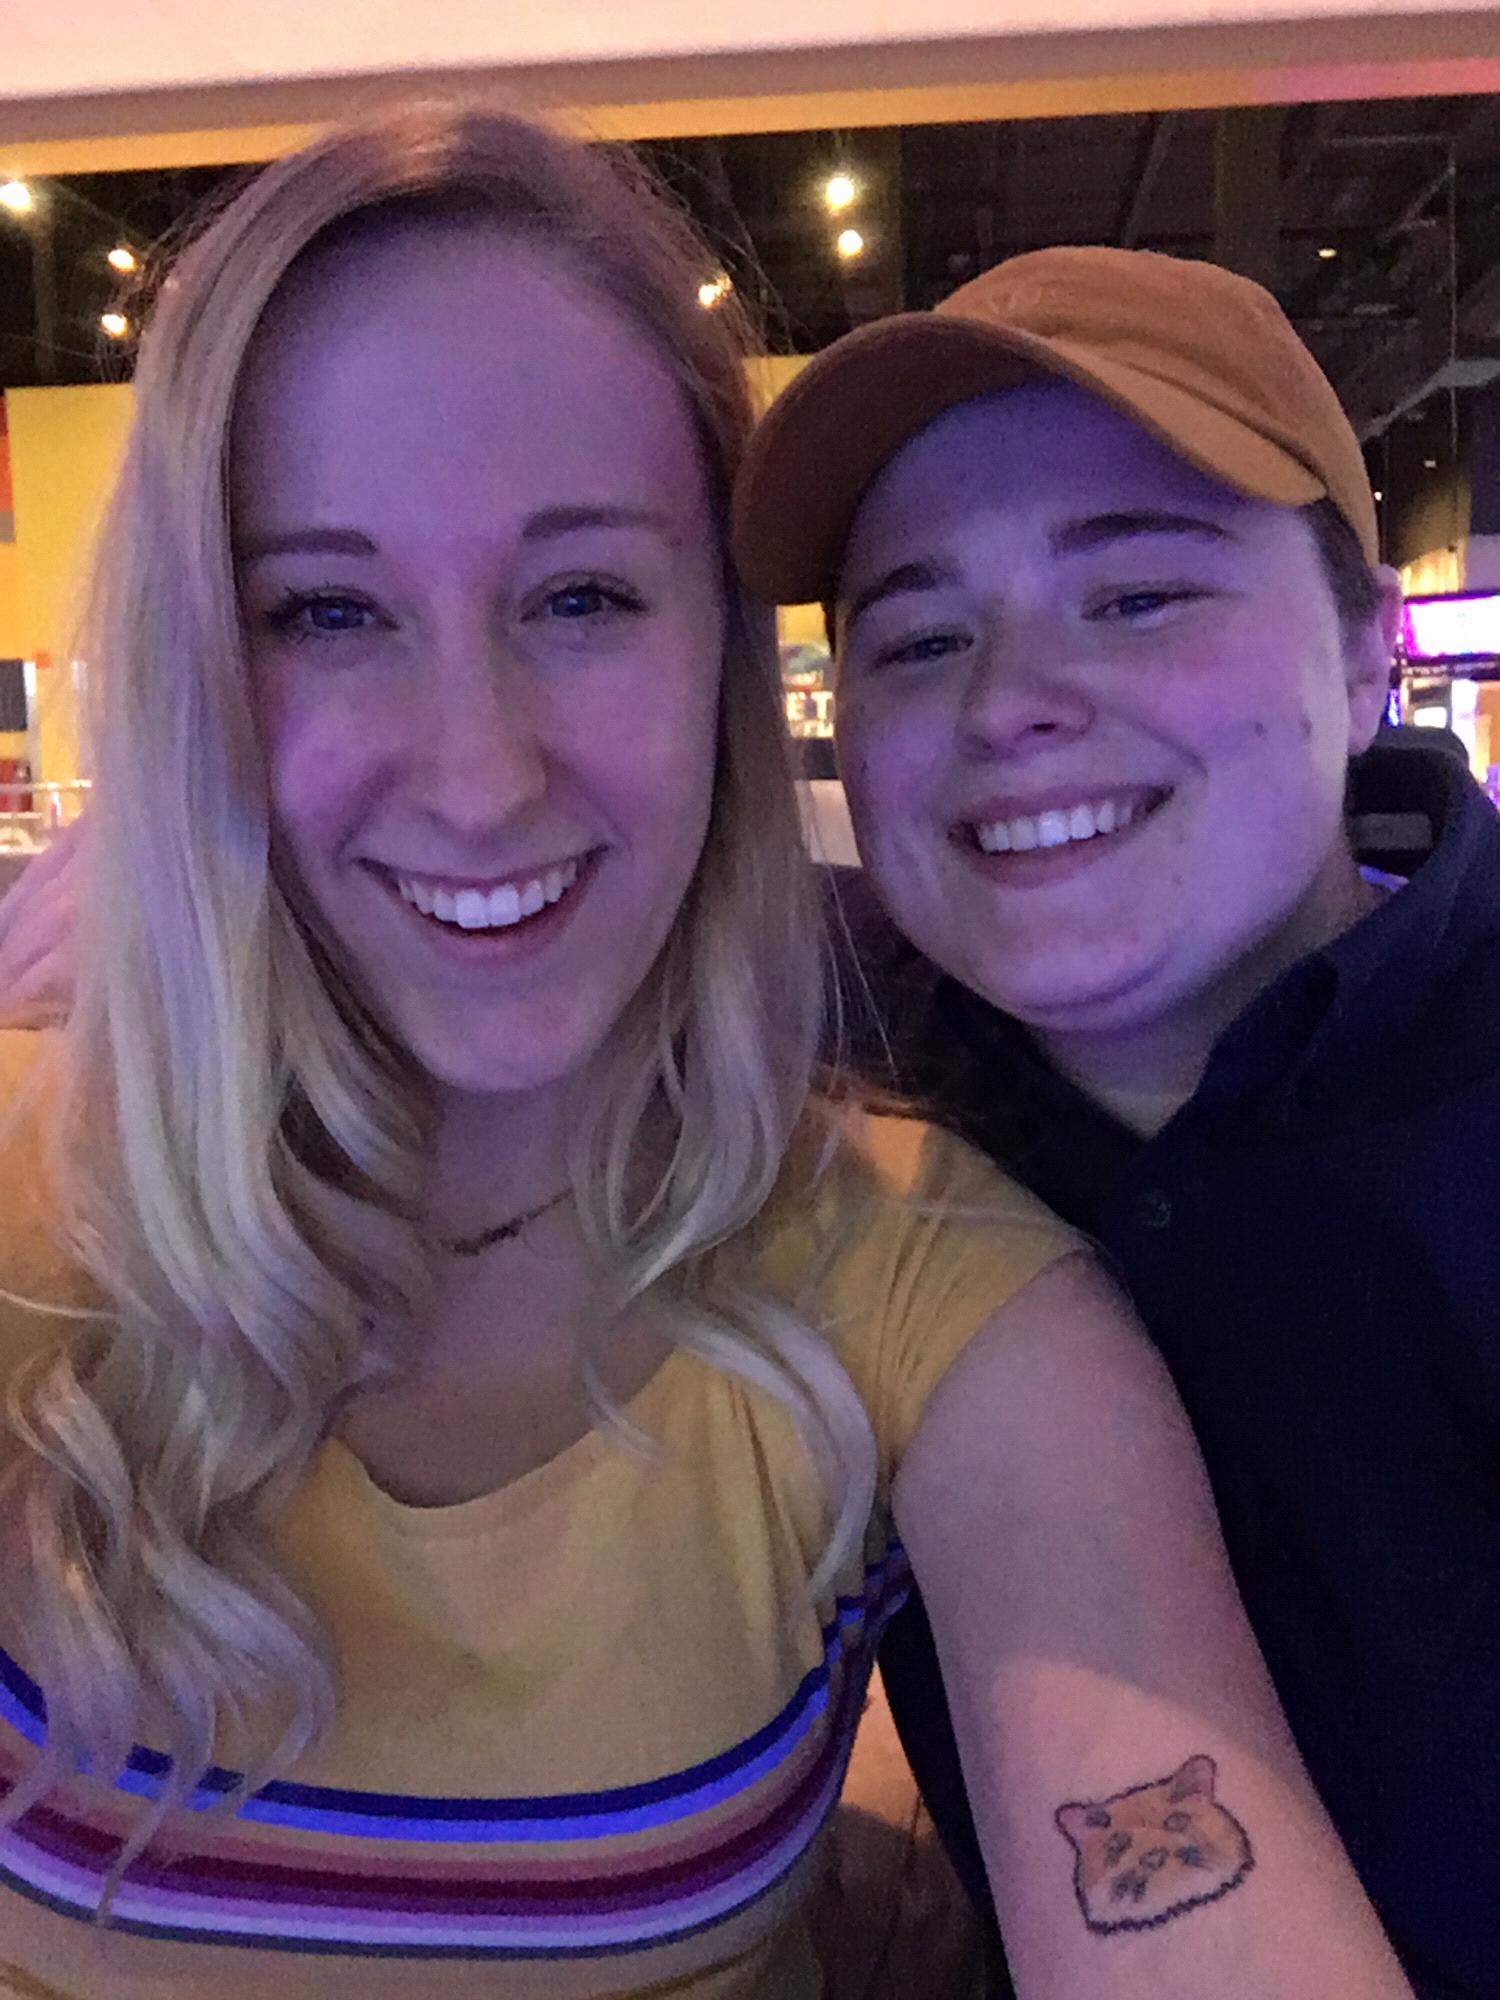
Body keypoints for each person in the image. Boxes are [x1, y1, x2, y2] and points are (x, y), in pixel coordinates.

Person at [0, 110, 1419, 2000]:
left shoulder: (937, 1295)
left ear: (723, 667)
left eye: (582, 597)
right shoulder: (36, 1196)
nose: (480, 778)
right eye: (324, 612)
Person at [732, 243, 1499, 2000]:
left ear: (1369, 651)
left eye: (1139, 595)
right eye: (922, 638)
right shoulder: (826, 1091)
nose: (1009, 701)